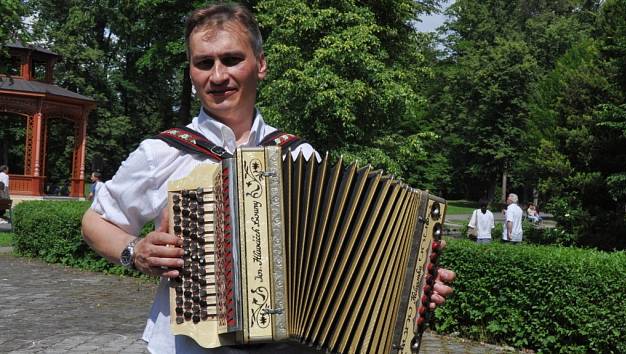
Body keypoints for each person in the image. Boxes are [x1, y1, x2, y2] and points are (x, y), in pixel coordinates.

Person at [81, 4, 455, 353]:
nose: (217, 76)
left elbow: (352, 257)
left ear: (260, 64)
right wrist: (136, 252)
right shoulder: (163, 152)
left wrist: (411, 286)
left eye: (231, 59)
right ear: (191, 71)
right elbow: (95, 220)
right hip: (186, 346)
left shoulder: (299, 156)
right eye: (203, 63)